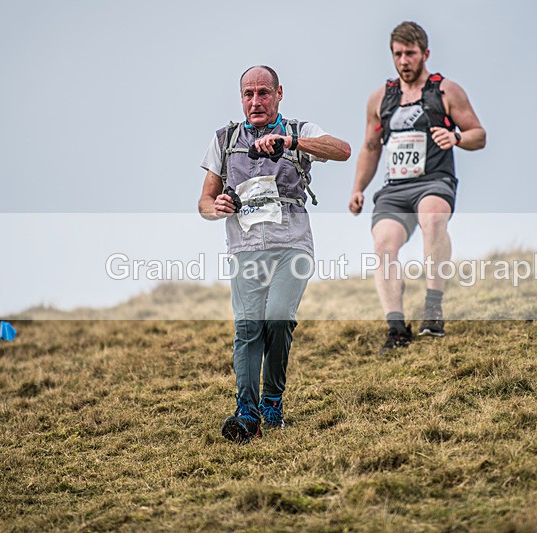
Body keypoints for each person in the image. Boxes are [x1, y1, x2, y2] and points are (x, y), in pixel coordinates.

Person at [198, 65, 350, 443]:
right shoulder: (224, 139)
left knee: (279, 318)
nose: (256, 101)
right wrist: (215, 205)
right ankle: (246, 413)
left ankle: (271, 401)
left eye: (263, 93)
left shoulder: (299, 131)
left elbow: (343, 150)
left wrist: (292, 143)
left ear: (279, 94)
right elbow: (203, 200)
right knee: (248, 329)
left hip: (291, 246)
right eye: (248, 94)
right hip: (245, 250)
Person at [348, 21, 486, 353]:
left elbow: (478, 135)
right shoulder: (380, 98)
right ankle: (396, 329)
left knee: (434, 218)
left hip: (434, 181)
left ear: (425, 54)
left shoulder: (446, 91)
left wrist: (455, 137)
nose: (404, 61)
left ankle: (433, 307)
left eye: (410, 54)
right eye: (398, 54)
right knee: (383, 245)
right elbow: (370, 147)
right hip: (395, 188)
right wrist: (358, 188)